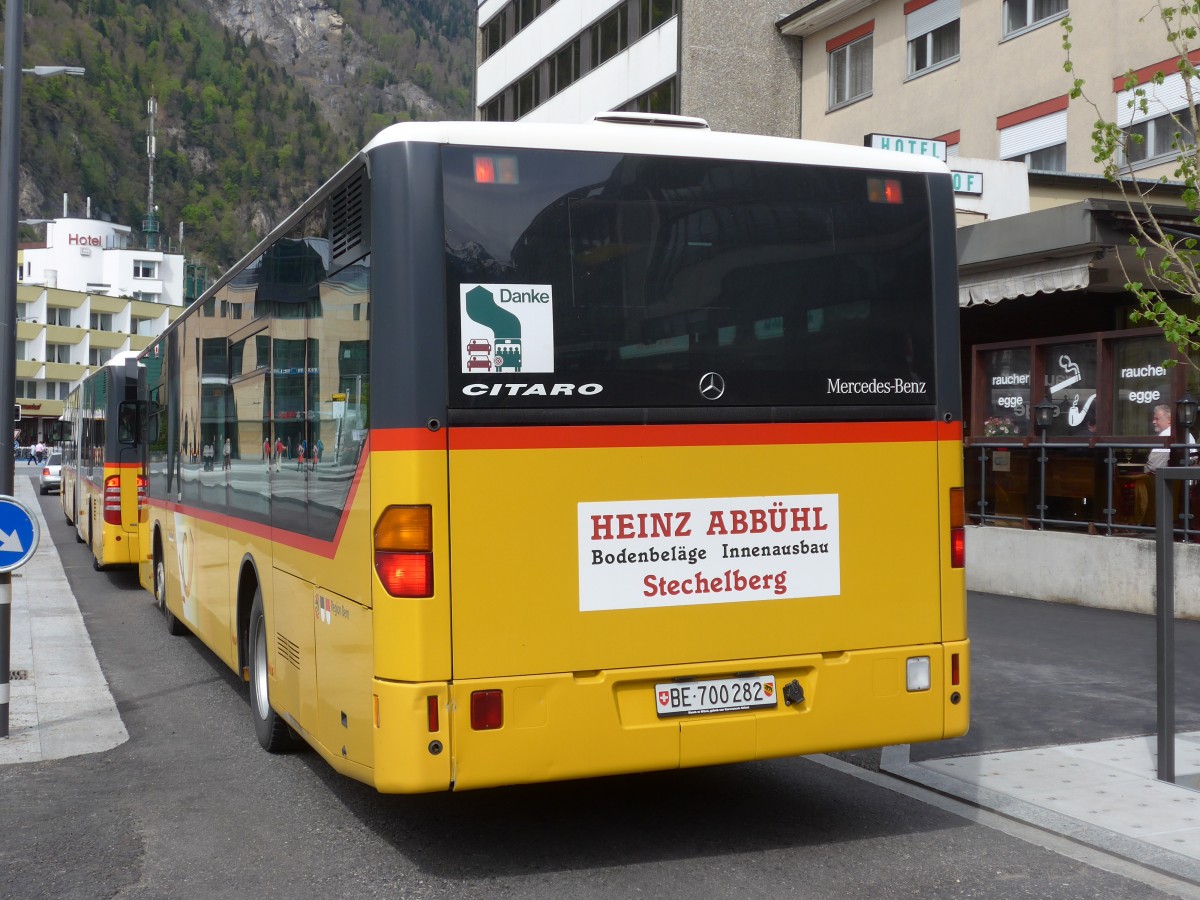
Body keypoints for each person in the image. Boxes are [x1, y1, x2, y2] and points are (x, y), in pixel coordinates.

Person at [1146, 403, 1197, 473]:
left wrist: (1144, 469)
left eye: (1157, 419)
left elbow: (1154, 467)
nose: (1153, 422)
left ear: (1169, 420)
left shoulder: (1166, 435)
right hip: (1187, 478)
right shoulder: (1186, 433)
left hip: (1172, 481)